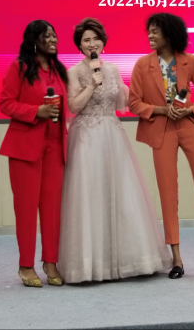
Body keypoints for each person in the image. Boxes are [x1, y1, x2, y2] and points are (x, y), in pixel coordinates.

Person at [59, 18, 171, 283]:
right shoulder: (73, 72)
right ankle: (90, 265)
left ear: (103, 42)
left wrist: (157, 98)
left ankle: (129, 260)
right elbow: (73, 106)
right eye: (86, 40)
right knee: (89, 195)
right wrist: (91, 85)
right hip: (86, 138)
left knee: (121, 193)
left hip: (113, 136)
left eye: (95, 39)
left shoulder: (113, 69)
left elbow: (125, 101)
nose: (91, 44)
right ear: (79, 45)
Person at [128, 13, 194, 279]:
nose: (150, 36)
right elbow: (134, 104)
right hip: (161, 132)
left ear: (170, 34)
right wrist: (162, 110)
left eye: (155, 31)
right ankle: (177, 259)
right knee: (168, 194)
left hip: (189, 126)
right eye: (149, 31)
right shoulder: (142, 64)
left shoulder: (189, 61)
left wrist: (189, 110)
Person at [0, 20, 69, 288]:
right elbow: (5, 103)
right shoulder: (19, 68)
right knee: (26, 209)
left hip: (55, 147)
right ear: (34, 41)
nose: (53, 39)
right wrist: (36, 111)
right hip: (25, 147)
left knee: (52, 209)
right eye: (47, 36)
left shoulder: (59, 71)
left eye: (54, 35)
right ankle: (26, 265)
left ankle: (50, 262)